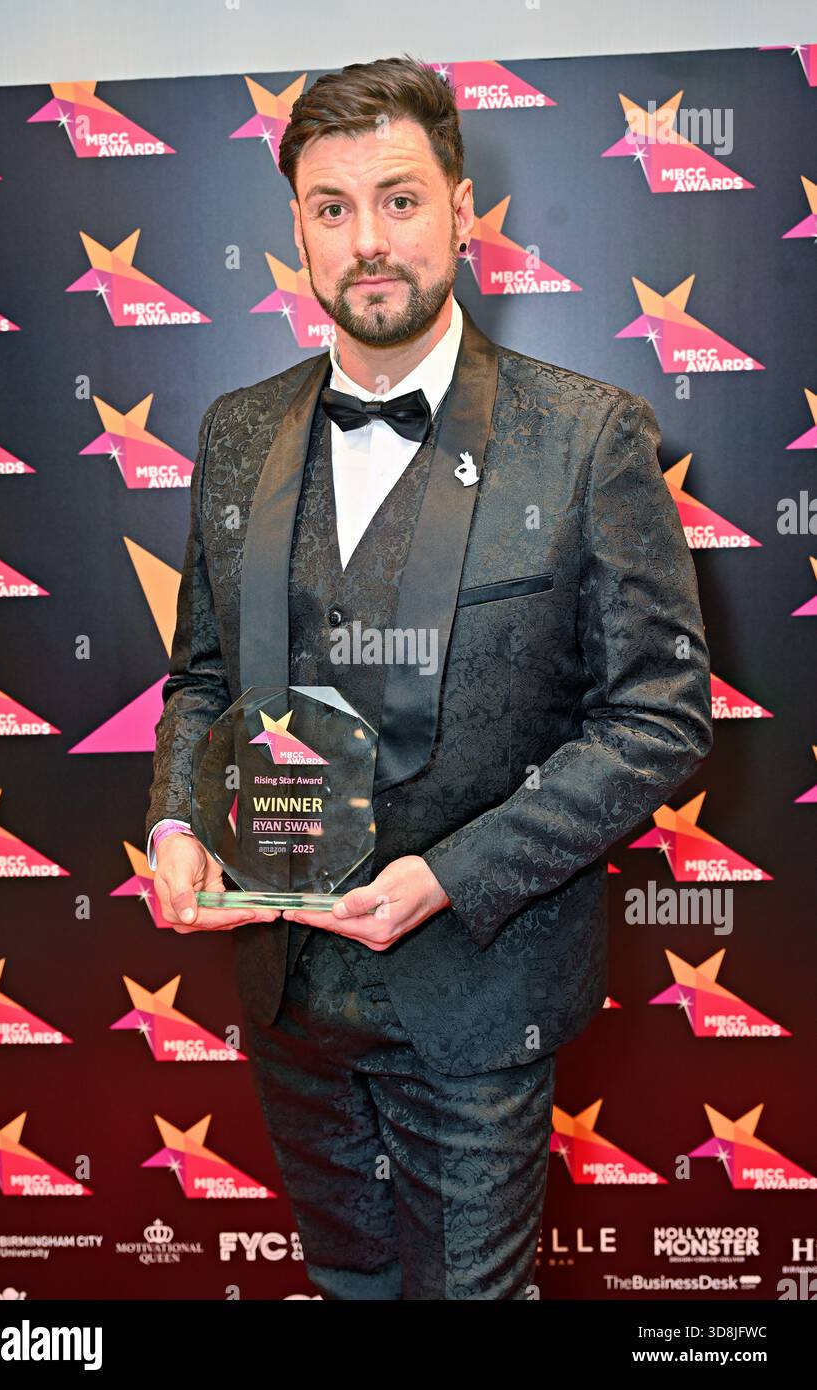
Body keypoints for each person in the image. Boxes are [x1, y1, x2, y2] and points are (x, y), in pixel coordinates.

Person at [145, 53, 713, 1300]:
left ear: (461, 212)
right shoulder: (235, 433)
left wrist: (450, 876)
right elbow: (201, 675)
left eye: (398, 199)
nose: (366, 241)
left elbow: (658, 718)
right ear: (297, 229)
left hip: (479, 998)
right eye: (331, 208)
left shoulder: (588, 437)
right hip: (287, 994)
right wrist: (180, 818)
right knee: (346, 1284)